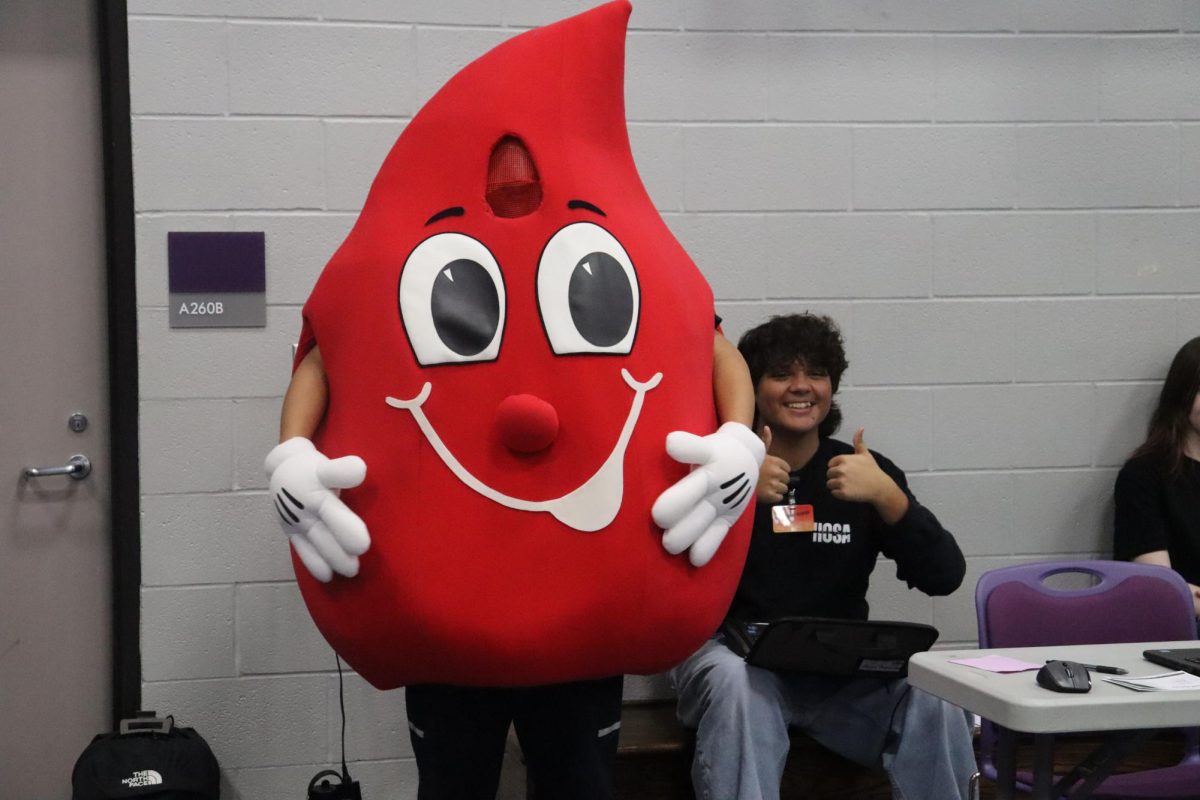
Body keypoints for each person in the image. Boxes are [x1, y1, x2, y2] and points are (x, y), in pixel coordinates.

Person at [271, 331, 756, 800]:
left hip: (580, 629)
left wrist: (738, 433)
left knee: (579, 788)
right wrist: (292, 450)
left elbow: (710, 343)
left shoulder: (606, 252)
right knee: (454, 789)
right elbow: (329, 351)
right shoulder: (414, 252)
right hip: (451, 631)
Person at [668, 313, 976, 800]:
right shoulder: (719, 471)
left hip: (841, 676)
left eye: (815, 373)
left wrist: (890, 499)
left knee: (937, 692)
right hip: (740, 666)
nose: (801, 387)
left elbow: (945, 576)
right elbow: (670, 580)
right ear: (751, 387)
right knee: (735, 684)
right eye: (781, 374)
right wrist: (742, 498)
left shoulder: (864, 473)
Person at [1114, 336, 1200, 619]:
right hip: (1182, 635)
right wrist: (1184, 595)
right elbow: (1162, 593)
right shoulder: (1144, 476)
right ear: (1183, 393)